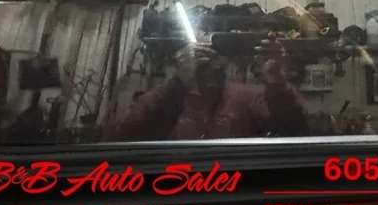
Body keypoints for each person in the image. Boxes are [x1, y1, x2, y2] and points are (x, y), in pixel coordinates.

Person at [105, 43, 309, 140]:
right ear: (182, 61)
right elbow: (127, 137)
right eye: (198, 55)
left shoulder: (247, 97)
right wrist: (177, 83)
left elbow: (294, 131)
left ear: (225, 61)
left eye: (215, 55)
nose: (208, 61)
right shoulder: (165, 97)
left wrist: (276, 82)